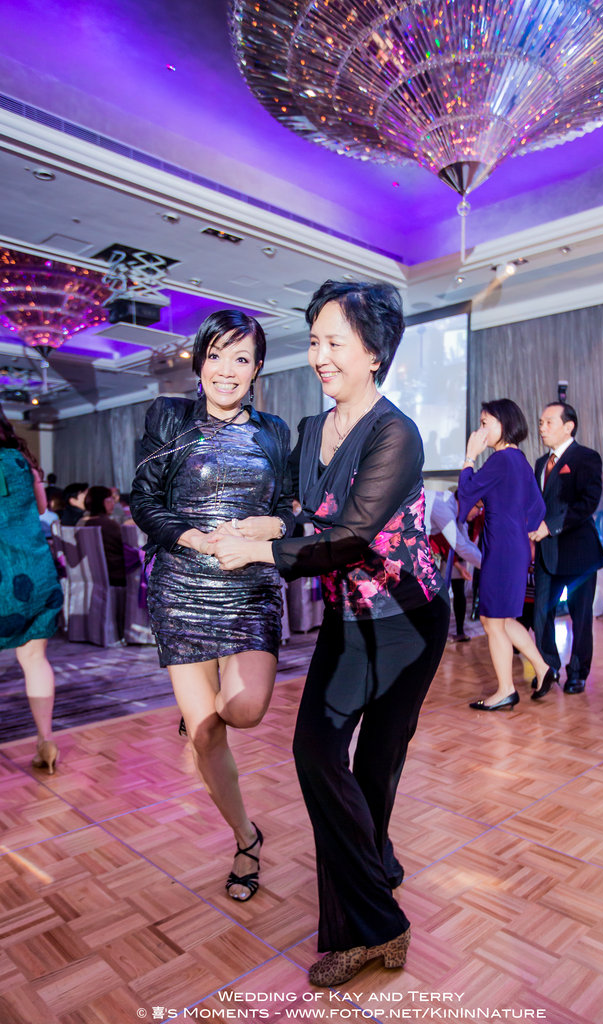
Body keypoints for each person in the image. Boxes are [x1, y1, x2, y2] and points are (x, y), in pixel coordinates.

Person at [206, 280, 450, 987]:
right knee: (316, 753)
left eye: (334, 342)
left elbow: (347, 536)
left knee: (375, 768)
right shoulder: (314, 429)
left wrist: (259, 551)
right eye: (313, 341)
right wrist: (264, 524)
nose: (319, 355)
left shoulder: (396, 434)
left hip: (406, 623)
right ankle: (377, 885)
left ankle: (367, 925)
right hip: (349, 620)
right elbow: (301, 511)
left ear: (373, 354)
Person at [130, 309, 294, 903]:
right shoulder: (169, 418)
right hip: (181, 586)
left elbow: (292, 506)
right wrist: (195, 538)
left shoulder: (275, 431)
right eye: (216, 355)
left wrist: (273, 525)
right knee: (205, 737)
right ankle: (246, 837)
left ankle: (199, 711)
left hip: (250, 589)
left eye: (241, 358)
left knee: (244, 710)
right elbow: (144, 500)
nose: (227, 370)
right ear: (199, 362)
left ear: (257, 369)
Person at [458, 399, 553, 710]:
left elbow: (466, 493)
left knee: (492, 620)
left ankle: (505, 690)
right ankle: (543, 668)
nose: (481, 430)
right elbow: (537, 508)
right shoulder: (519, 459)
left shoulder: (500, 460)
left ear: (504, 424)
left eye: (485, 423)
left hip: (501, 548)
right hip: (513, 545)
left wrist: (469, 456)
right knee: (500, 618)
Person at [529, 402, 603, 696]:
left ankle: (577, 672)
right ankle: (548, 668)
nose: (542, 428)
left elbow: (588, 503)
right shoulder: (540, 463)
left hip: (579, 554)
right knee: (541, 614)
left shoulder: (586, 458)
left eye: (549, 422)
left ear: (568, 426)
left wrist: (551, 526)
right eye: (541, 422)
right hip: (546, 553)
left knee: (580, 617)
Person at [0, 409, 63, 773]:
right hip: (35, 573)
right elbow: (40, 508)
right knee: (35, 660)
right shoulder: (23, 462)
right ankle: (45, 740)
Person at [424, 488, 481, 641]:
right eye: (478, 507)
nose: (479, 512)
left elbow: (466, 542)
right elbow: (461, 546)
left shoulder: (456, 513)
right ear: (468, 503)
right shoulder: (443, 507)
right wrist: (489, 567)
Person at [81, 485, 126, 586]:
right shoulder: (109, 525)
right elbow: (126, 547)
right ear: (102, 502)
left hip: (91, 576)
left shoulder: (82, 523)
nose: (113, 503)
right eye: (110, 500)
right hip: (116, 576)